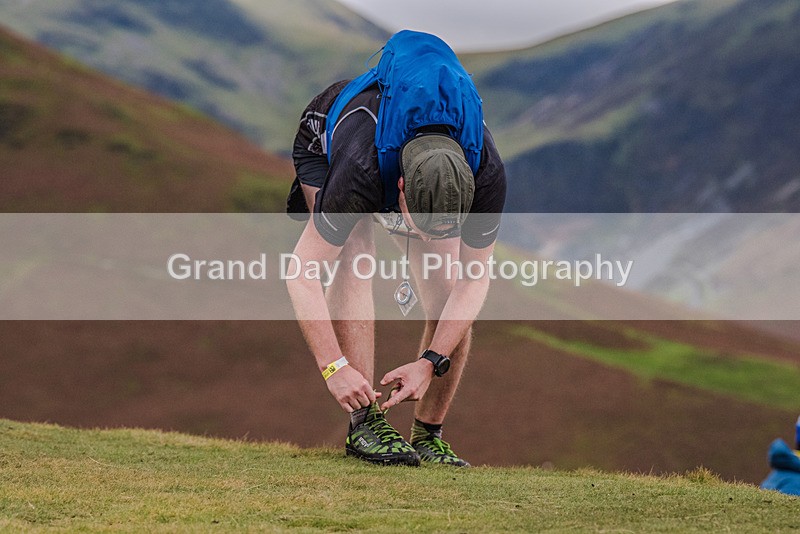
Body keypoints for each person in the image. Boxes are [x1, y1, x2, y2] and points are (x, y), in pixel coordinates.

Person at [286, 32, 506, 467]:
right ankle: (364, 423)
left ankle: (428, 434)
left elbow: (475, 278)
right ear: (400, 189)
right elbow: (301, 273)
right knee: (354, 254)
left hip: (422, 161)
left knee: (447, 291)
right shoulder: (363, 170)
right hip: (326, 139)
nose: (424, 237)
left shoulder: (486, 174)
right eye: (418, 224)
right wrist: (335, 368)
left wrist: (429, 362)